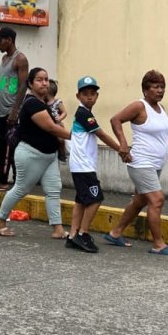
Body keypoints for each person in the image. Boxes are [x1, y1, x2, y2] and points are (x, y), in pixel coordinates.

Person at [104, 70, 168, 256]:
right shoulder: (139, 106)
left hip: (156, 164)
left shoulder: (160, 108)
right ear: (145, 89)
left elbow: (165, 135)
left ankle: (115, 234)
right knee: (157, 200)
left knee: (139, 201)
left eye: (162, 87)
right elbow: (115, 119)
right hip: (140, 162)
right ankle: (159, 244)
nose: (160, 90)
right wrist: (123, 144)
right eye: (155, 87)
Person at [0, 67, 70, 239]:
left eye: (46, 79)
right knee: (21, 189)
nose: (44, 83)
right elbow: (50, 127)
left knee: (54, 190)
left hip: (49, 156)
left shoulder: (44, 103)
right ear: (30, 84)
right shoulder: (32, 103)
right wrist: (76, 136)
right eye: (39, 80)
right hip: (31, 155)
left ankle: (57, 229)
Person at [65, 76, 122, 254]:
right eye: (85, 94)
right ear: (78, 96)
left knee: (81, 200)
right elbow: (102, 134)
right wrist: (121, 150)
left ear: (96, 96)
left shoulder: (85, 114)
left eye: (92, 94)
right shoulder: (83, 114)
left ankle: (73, 235)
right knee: (96, 199)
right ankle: (83, 233)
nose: (89, 97)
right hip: (83, 167)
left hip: (82, 165)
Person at [0, 27, 28, 189]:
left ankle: (13, 181)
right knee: (0, 145)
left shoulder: (20, 59)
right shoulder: (4, 59)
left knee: (11, 147)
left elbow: (23, 86)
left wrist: (15, 110)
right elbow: (8, 81)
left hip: (11, 112)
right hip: (0, 109)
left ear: (9, 40)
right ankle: (3, 178)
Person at [47, 78, 69, 162]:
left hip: (57, 124)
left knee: (60, 139)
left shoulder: (57, 102)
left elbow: (64, 112)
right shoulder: (43, 103)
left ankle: (62, 154)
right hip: (48, 124)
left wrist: (59, 118)